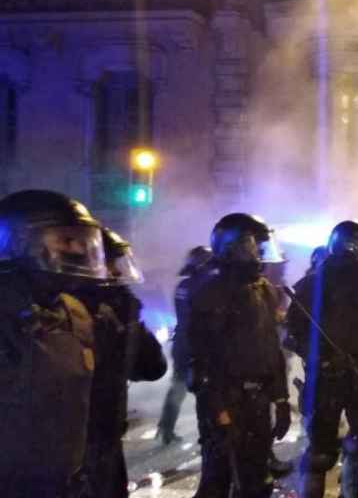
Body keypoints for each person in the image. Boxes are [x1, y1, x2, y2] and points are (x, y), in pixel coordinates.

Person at [0, 190, 107, 497]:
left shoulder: (75, 313)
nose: (78, 249)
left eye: (82, 240)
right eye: (65, 240)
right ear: (18, 243)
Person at [189, 213, 291, 498]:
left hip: (257, 400)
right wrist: (218, 408)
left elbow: (272, 349)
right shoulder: (210, 291)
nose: (259, 252)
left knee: (257, 480)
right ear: (230, 247)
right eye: (251, 245)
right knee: (218, 479)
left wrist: (281, 398)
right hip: (227, 400)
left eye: (260, 245)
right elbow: (202, 357)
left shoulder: (265, 290)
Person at [288, 220, 358, 498]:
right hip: (326, 377)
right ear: (348, 246)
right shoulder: (311, 285)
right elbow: (293, 333)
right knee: (320, 452)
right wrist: (320, 357)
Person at [77, 228, 167, 498]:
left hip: (107, 441)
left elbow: (152, 368)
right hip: (66, 453)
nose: (116, 273)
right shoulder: (61, 317)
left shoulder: (116, 310)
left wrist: (130, 322)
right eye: (109, 265)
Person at [158, 245, 214, 445]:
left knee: (178, 387)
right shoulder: (204, 286)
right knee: (204, 389)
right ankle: (207, 432)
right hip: (195, 345)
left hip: (181, 343)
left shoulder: (183, 286)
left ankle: (166, 428)